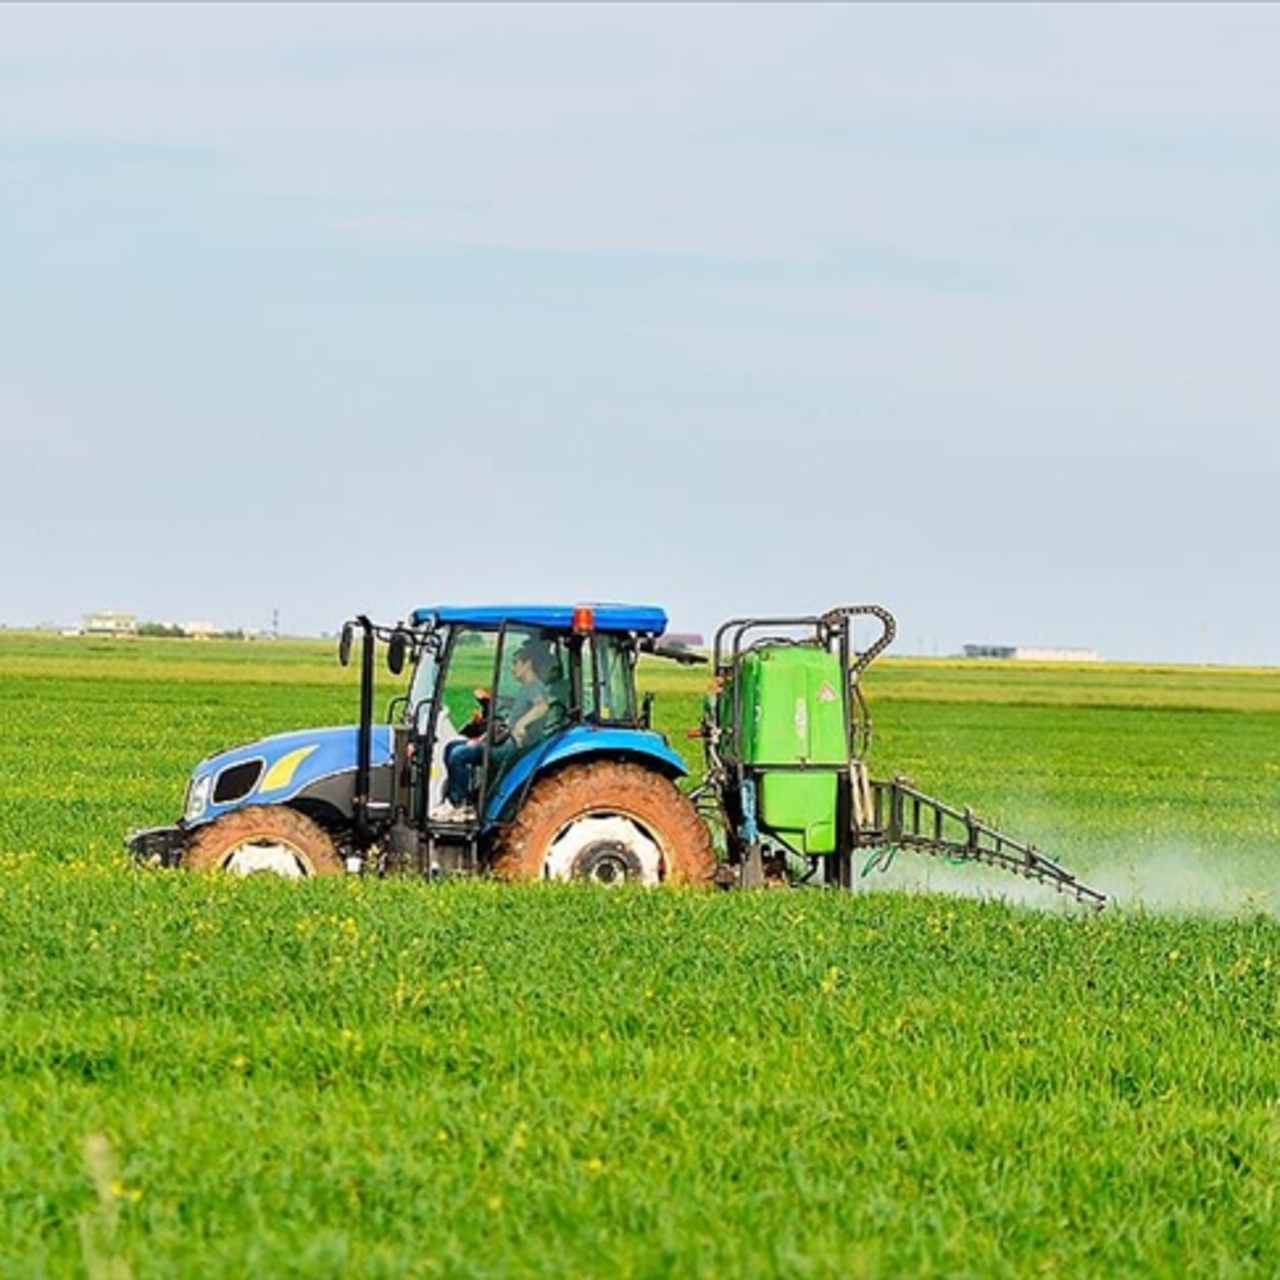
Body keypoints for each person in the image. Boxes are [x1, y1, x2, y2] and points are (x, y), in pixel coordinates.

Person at [440, 643, 550, 815]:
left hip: (513, 747)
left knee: (458, 755)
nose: (513, 668)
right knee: (452, 747)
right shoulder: (526, 689)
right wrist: (485, 735)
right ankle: (467, 799)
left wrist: (521, 724)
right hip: (505, 741)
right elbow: (509, 722)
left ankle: (459, 804)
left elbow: (542, 707)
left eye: (515, 663)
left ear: (527, 664)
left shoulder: (533, 687)